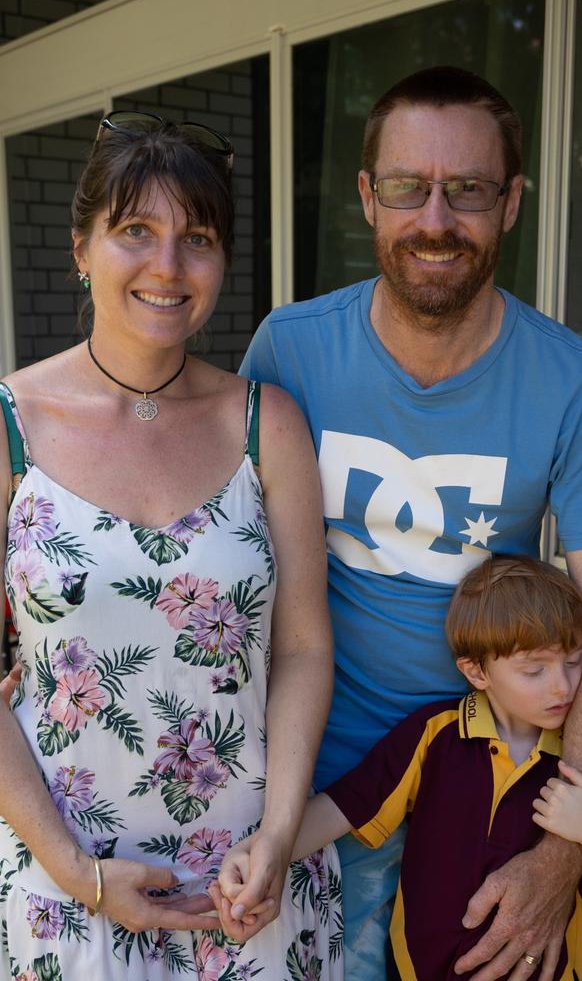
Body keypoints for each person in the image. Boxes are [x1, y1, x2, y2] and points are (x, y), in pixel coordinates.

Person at [239, 66, 582, 980]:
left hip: (495, 796)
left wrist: (562, 853)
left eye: (466, 190)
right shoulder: (291, 348)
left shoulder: (575, 386)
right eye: (405, 188)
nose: (434, 218)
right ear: (367, 199)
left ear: (510, 204)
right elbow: (230, 561)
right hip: (319, 793)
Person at [0, 111, 343, 980]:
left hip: (251, 891)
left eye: (197, 238)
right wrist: (79, 875)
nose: (168, 266)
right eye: (135, 232)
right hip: (67, 886)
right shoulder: (11, 428)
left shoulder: (268, 423)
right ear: (80, 248)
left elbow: (303, 646)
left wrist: (277, 837)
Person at [215, 556, 582, 980]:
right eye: (534, 669)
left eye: (574, 662)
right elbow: (343, 809)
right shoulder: (434, 736)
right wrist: (261, 855)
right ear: (476, 671)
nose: (563, 685)